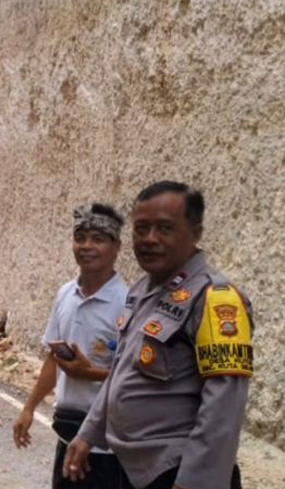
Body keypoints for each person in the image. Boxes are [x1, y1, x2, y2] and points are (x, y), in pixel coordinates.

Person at [64, 181, 253, 489]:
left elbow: (224, 405)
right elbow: (121, 370)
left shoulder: (216, 298)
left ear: (195, 233)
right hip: (135, 470)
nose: (150, 239)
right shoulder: (143, 290)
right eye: (141, 229)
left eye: (165, 228)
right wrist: (89, 433)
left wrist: (195, 482)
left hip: (177, 472)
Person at [13, 203, 127, 489]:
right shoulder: (66, 294)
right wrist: (29, 408)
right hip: (67, 431)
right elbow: (55, 358)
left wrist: (91, 374)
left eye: (98, 239)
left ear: (116, 247)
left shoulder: (127, 304)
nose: (86, 246)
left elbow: (136, 378)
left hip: (106, 443)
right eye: (80, 238)